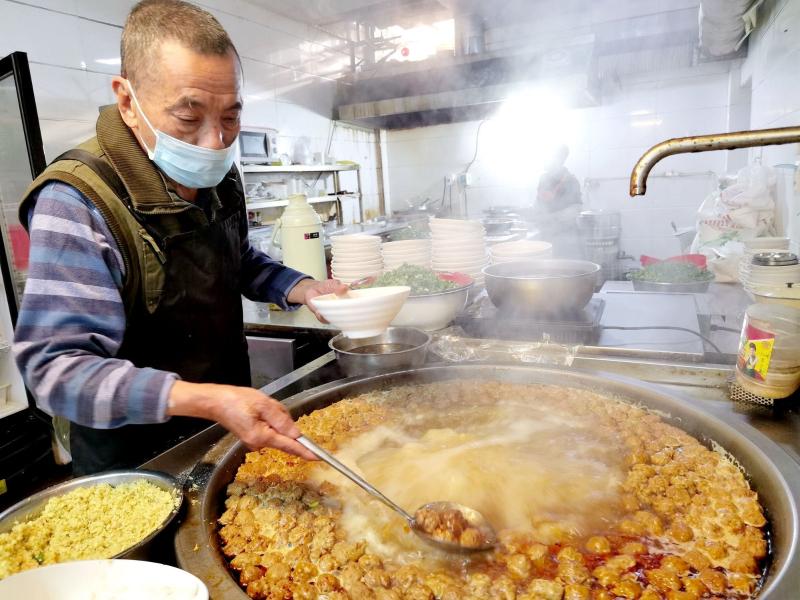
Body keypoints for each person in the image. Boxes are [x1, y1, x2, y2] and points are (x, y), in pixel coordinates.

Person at [13, 0, 344, 474]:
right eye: (189, 119)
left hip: (223, 434)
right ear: (128, 102)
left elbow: (237, 260)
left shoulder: (218, 175)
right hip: (136, 464)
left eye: (230, 118)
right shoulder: (78, 201)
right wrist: (204, 399)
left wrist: (302, 287)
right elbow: (55, 370)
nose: (215, 143)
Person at [533, 145, 583, 258]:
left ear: (558, 160)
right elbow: (539, 204)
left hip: (566, 240)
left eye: (547, 158)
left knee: (565, 266)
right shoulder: (543, 179)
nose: (544, 161)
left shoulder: (570, 180)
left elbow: (576, 209)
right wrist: (535, 214)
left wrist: (550, 218)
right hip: (546, 237)